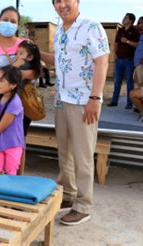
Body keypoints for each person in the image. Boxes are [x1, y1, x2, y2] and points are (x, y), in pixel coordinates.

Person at [40, 0, 109, 225]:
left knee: (83, 155)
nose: (62, 5)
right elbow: (59, 61)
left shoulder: (91, 26)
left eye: (66, 0)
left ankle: (83, 205)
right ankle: (68, 195)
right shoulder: (60, 29)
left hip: (83, 101)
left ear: (77, 1)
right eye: (57, 1)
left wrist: (95, 98)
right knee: (65, 151)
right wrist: (36, 52)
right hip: (61, 99)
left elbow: (102, 62)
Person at [107, 13, 140, 109]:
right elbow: (116, 43)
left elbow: (137, 45)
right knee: (117, 81)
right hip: (119, 60)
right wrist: (115, 54)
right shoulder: (120, 30)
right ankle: (114, 101)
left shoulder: (135, 31)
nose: (123, 19)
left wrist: (127, 41)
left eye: (126, 18)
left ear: (131, 20)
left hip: (129, 61)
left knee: (129, 81)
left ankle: (129, 103)